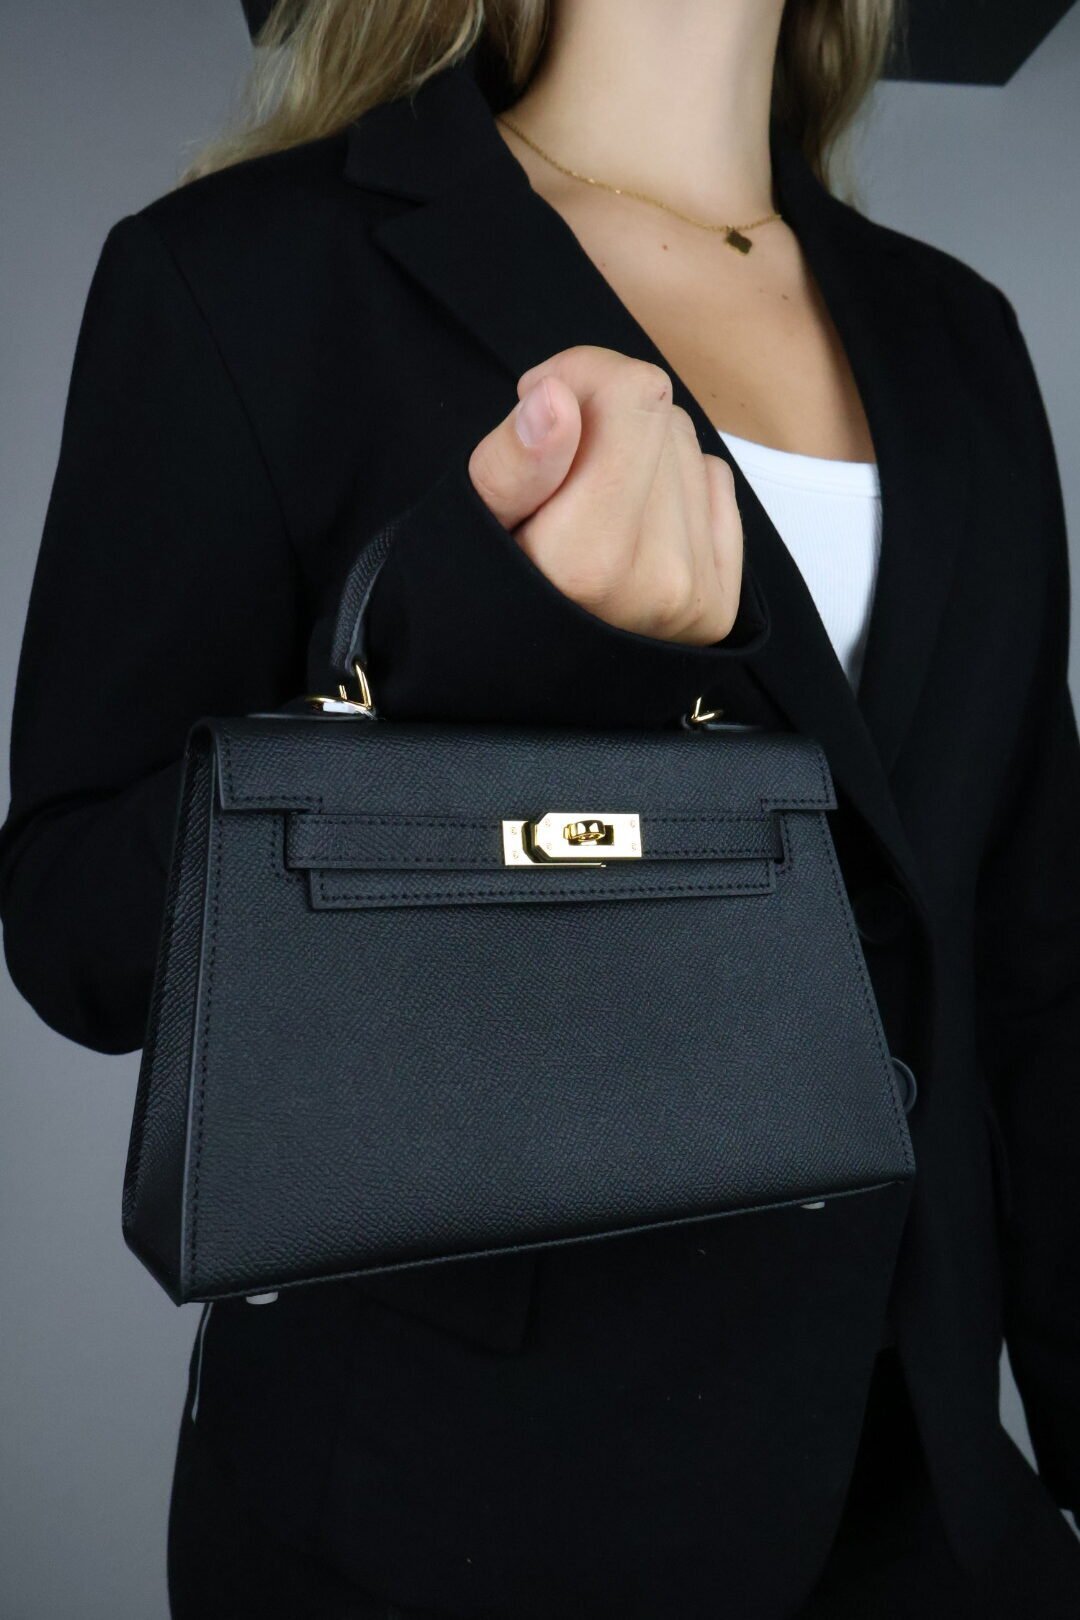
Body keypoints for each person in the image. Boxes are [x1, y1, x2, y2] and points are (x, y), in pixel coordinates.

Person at [2, 1, 1079, 1615]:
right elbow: (76, 930)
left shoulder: (959, 335)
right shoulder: (245, 274)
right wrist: (468, 641)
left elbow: (1040, 974)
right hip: (450, 1512)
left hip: (927, 1505)